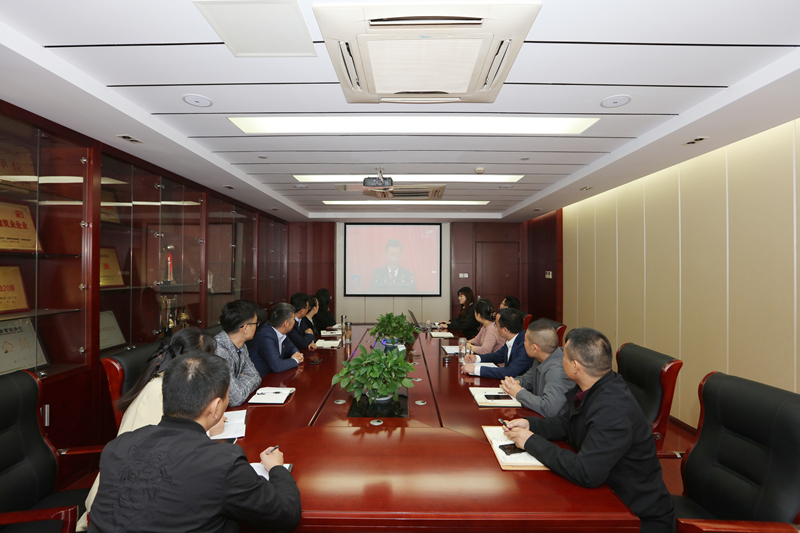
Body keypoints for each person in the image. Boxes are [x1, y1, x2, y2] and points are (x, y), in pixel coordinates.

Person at [88, 353, 301, 533]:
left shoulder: (117, 446)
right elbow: (286, 513)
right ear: (215, 407)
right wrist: (276, 468)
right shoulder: (223, 462)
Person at [503, 328, 675, 533]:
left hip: (635, 516)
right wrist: (531, 425)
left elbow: (586, 472)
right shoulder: (595, 386)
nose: (561, 360)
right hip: (607, 495)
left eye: (564, 357)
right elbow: (568, 423)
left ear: (576, 366)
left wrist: (531, 441)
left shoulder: (613, 410)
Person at [77, 328, 217, 531]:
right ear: (192, 363)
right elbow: (155, 460)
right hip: (119, 512)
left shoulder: (168, 386)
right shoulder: (159, 392)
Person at [499, 319, 572, 417]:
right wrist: (512, 383)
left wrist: (519, 392)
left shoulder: (557, 370)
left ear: (535, 348)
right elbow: (527, 379)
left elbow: (549, 409)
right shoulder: (541, 358)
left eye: (525, 340)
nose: (523, 343)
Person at [214, 300, 262, 406]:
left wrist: (238, 381)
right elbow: (236, 398)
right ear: (245, 328)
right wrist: (242, 379)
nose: (256, 327)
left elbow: (256, 376)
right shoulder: (219, 351)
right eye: (256, 324)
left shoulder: (241, 345)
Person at [461, 307, 532, 379]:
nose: (495, 327)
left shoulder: (525, 344)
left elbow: (509, 372)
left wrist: (475, 369)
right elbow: (497, 356)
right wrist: (476, 358)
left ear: (505, 330)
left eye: (496, 325)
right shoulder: (512, 337)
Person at [249, 302, 305, 376]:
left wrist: (297, 354)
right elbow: (277, 366)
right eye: (293, 319)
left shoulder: (281, 331)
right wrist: (295, 360)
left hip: (274, 376)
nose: (294, 322)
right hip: (263, 378)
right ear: (286, 323)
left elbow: (291, 347)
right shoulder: (266, 336)